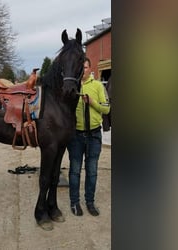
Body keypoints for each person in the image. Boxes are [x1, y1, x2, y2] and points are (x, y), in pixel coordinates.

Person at [67, 57, 110, 216]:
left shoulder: (98, 86)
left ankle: (90, 202)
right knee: (75, 171)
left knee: (92, 171)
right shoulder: (73, 86)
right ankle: (74, 202)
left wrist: (92, 102)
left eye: (85, 67)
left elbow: (106, 109)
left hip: (93, 135)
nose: (82, 70)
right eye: (80, 68)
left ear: (90, 69)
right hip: (76, 135)